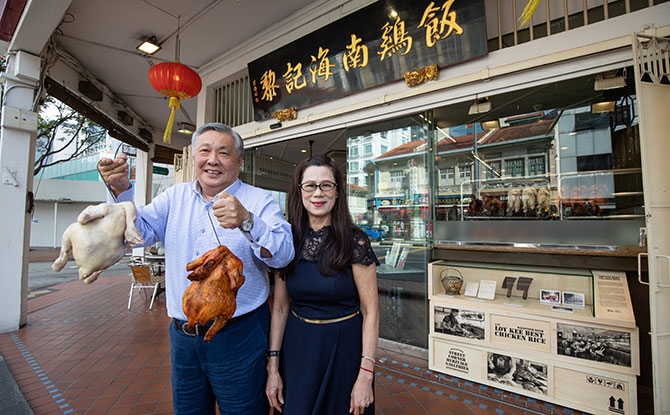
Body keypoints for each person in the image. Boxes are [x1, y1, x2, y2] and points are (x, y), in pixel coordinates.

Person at [97, 122, 294, 415]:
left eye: (224, 153)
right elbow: (140, 231)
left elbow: (284, 255)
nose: (213, 160)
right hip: (183, 337)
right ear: (194, 158)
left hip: (239, 335)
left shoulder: (258, 200)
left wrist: (247, 221)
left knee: (243, 410)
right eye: (205, 151)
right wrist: (123, 189)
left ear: (239, 161)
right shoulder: (174, 197)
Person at [265, 155, 379, 415]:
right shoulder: (288, 241)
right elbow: (281, 309)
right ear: (299, 191)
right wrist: (273, 367)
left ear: (337, 192)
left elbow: (371, 311)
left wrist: (366, 375)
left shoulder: (356, 242)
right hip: (298, 349)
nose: (318, 193)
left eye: (326, 185)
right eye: (310, 185)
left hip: (345, 350)